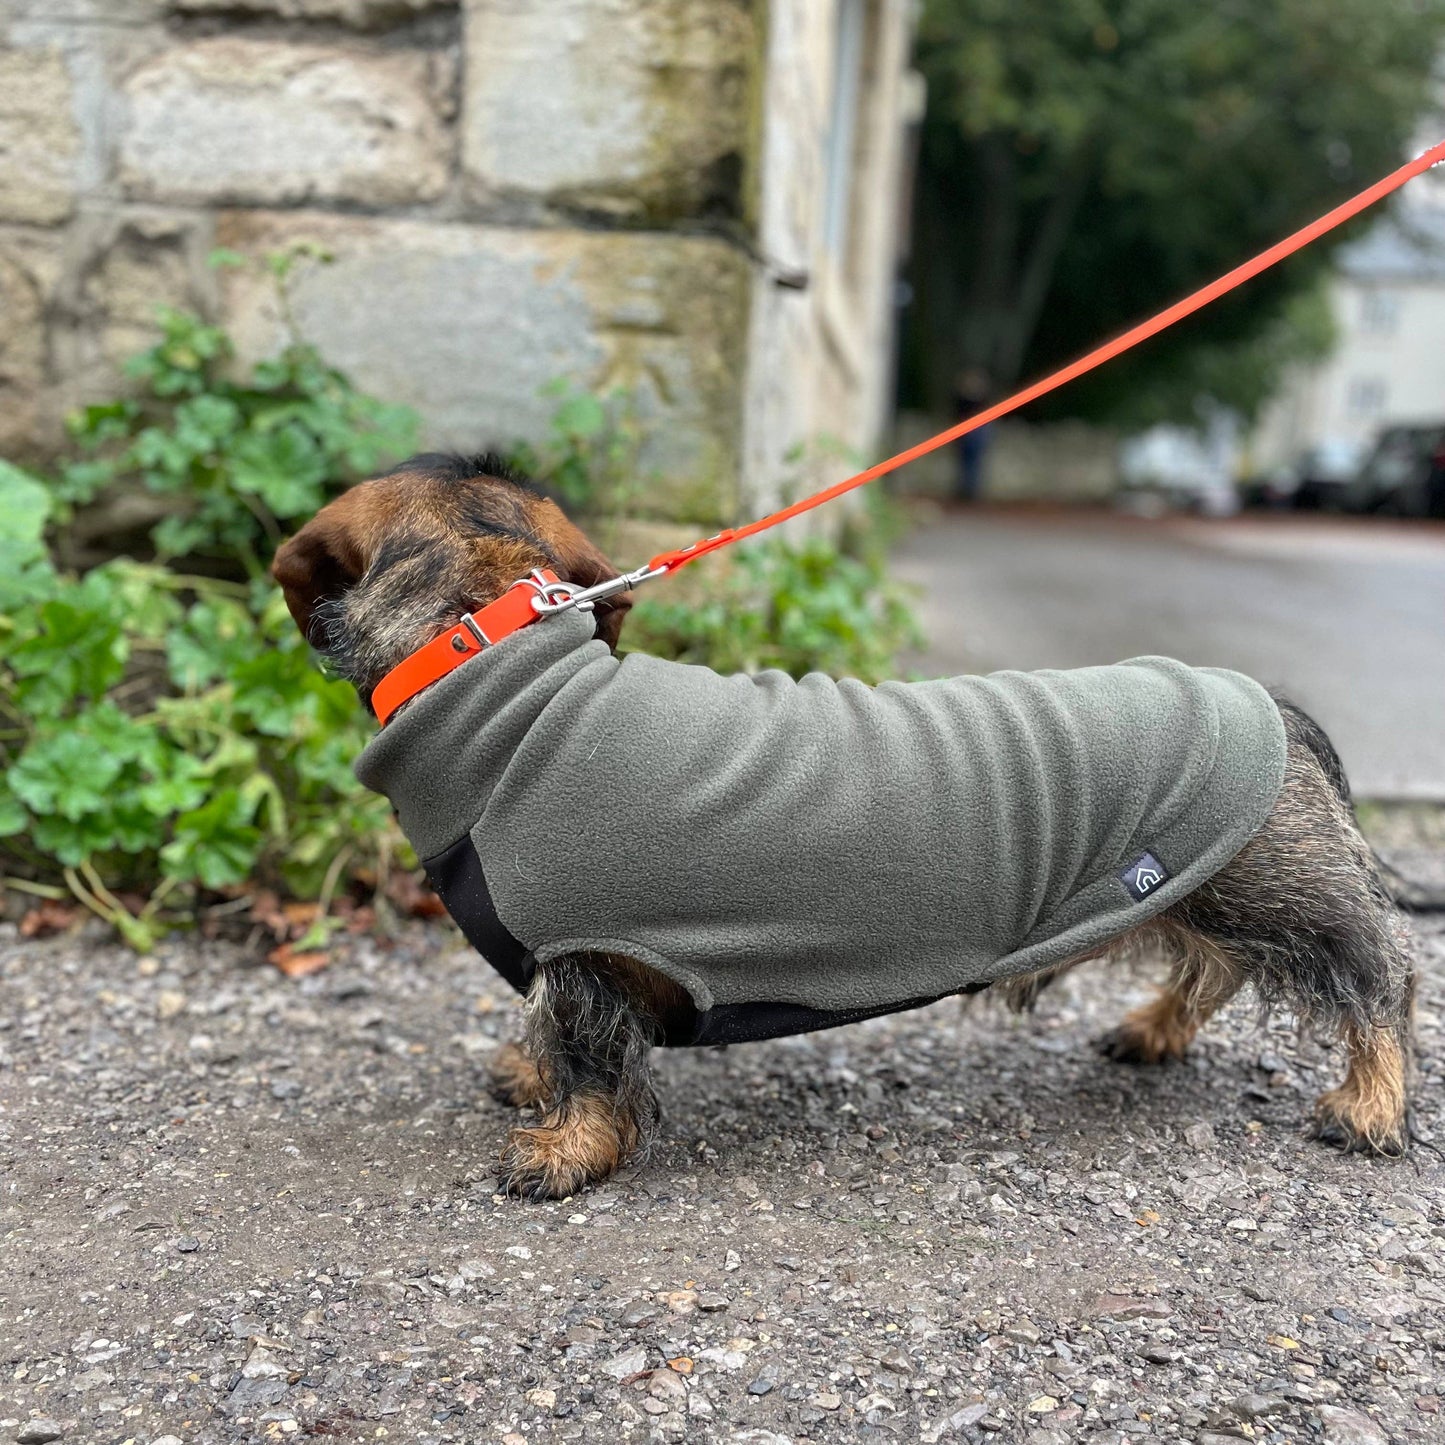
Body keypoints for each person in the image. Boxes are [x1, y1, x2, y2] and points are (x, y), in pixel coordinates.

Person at [952, 367, 993, 502]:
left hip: (977, 431)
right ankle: (965, 490)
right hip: (966, 432)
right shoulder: (963, 398)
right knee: (965, 462)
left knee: (974, 463)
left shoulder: (980, 398)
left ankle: (972, 491)